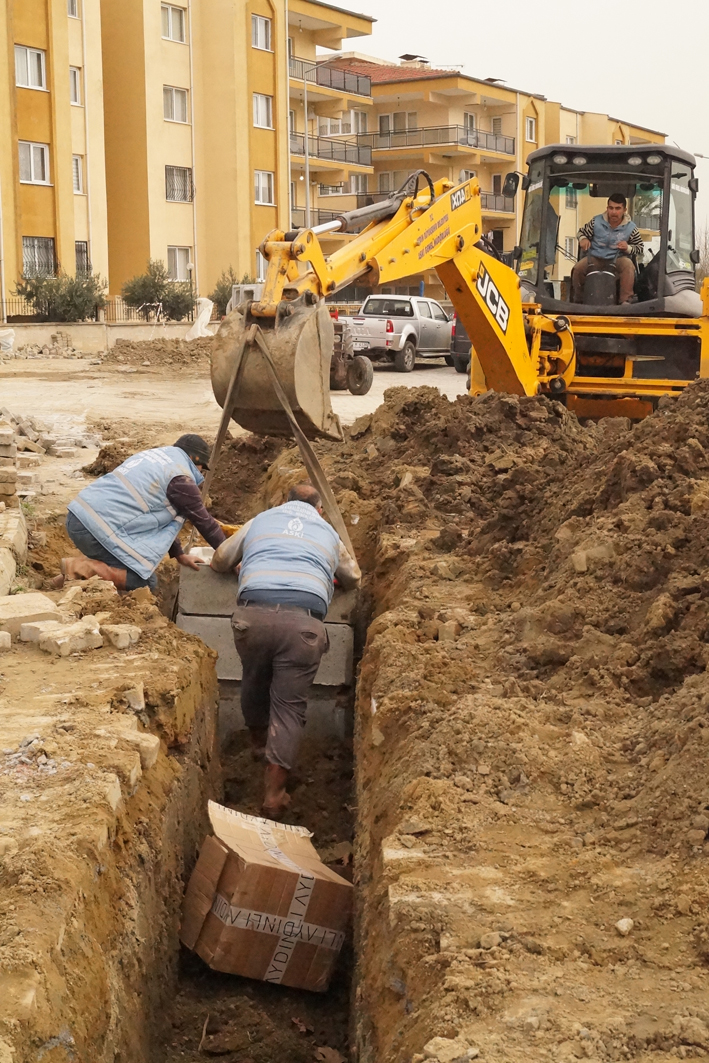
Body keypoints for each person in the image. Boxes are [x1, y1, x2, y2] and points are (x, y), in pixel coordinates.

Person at [211, 483, 361, 819]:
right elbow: (353, 577)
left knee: (253, 680)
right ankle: (274, 796)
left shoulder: (261, 520)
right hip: (303, 627)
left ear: (283, 501)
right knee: (289, 709)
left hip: (251, 619)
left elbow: (220, 559)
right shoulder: (328, 532)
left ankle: (258, 746)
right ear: (319, 509)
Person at [55, 434, 225, 591]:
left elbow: (161, 522)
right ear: (197, 462)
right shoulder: (182, 479)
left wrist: (179, 555)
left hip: (79, 516)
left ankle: (61, 582)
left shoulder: (156, 459)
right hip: (94, 529)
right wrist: (230, 558)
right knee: (143, 581)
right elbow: (205, 522)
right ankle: (77, 569)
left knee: (124, 568)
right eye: (202, 468)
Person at [571, 193, 644, 304]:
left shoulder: (631, 228)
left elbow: (639, 247)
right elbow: (581, 232)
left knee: (629, 266)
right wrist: (583, 239)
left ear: (624, 209)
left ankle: (626, 301)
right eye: (611, 208)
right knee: (578, 268)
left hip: (618, 259)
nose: (614, 212)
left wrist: (628, 248)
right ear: (607, 208)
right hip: (595, 257)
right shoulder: (596, 222)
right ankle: (579, 300)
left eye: (618, 208)